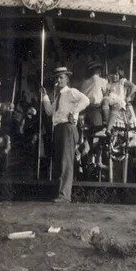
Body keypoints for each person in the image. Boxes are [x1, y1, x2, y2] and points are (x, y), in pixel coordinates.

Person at [41, 66, 90, 203]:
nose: (58, 80)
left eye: (61, 77)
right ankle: (61, 193)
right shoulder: (58, 96)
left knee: (66, 161)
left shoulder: (71, 92)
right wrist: (45, 96)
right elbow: (50, 112)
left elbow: (86, 100)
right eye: (57, 77)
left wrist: (74, 112)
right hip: (58, 128)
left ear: (67, 79)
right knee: (59, 162)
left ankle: (64, 196)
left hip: (67, 128)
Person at [80, 62, 107, 131]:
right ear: (99, 71)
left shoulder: (84, 82)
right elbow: (106, 91)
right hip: (95, 106)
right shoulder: (100, 80)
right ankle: (107, 126)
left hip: (84, 107)